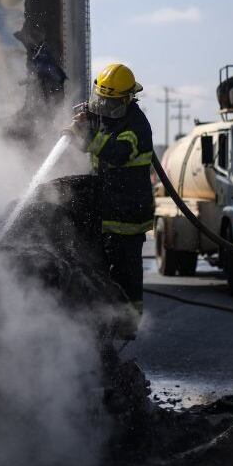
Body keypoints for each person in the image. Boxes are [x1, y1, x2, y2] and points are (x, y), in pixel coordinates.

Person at [66, 63, 154, 325]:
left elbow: (117, 153)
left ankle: (128, 323)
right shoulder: (108, 114)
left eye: (110, 102)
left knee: (125, 273)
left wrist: (87, 137)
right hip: (106, 209)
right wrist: (81, 121)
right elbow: (97, 122)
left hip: (128, 215)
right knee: (99, 269)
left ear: (127, 99)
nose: (103, 107)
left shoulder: (137, 125)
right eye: (100, 101)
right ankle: (101, 320)